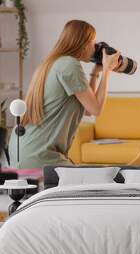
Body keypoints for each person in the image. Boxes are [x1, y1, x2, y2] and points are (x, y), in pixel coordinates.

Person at [8, 20, 120, 169]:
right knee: (100, 177)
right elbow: (96, 109)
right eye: (93, 43)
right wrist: (107, 70)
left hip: (22, 150)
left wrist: (95, 73)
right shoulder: (70, 64)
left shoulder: (51, 63)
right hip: (40, 154)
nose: (95, 49)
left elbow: (87, 108)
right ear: (84, 43)